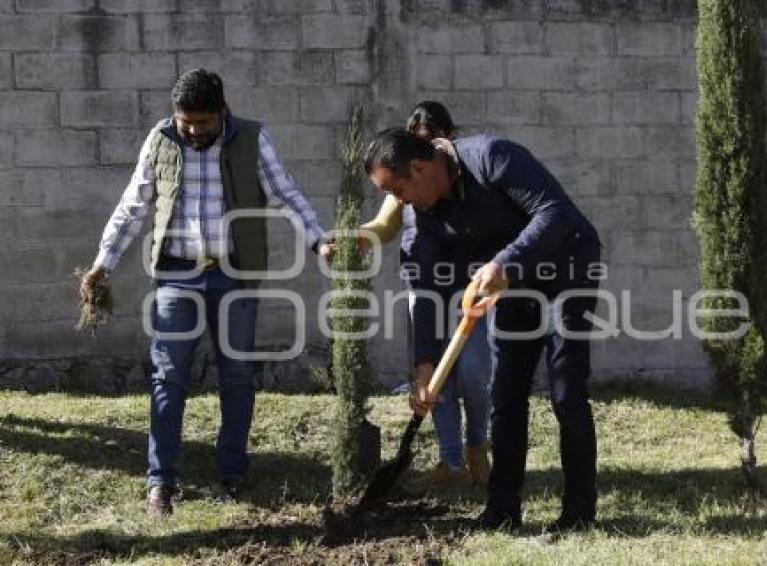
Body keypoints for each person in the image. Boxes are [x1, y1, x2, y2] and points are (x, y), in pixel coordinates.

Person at [80, 69, 329, 516]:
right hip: (176, 276)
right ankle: (162, 483)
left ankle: (232, 472)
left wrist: (318, 239)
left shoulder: (252, 138)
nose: (194, 130)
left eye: (203, 123)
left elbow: (285, 194)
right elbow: (132, 206)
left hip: (234, 276)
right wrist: (103, 264)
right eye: (185, 122)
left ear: (222, 111)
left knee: (237, 377)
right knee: (168, 377)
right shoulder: (160, 140)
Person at [363, 128, 601, 532]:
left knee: (566, 392)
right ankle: (502, 511)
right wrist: (424, 365)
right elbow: (428, 289)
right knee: (505, 395)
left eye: (398, 191)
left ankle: (578, 514)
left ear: (419, 168)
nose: (398, 203)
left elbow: (555, 212)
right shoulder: (426, 215)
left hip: (567, 267)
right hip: (510, 284)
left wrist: (503, 263)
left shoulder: (491, 157)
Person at [358, 102, 492, 490]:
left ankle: (477, 447)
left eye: (430, 142)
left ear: (447, 140)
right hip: (425, 286)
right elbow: (384, 225)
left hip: (472, 290)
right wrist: (359, 237)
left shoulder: (465, 175)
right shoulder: (403, 185)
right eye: (414, 144)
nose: (420, 156)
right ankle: (451, 463)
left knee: (473, 372)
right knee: (434, 378)